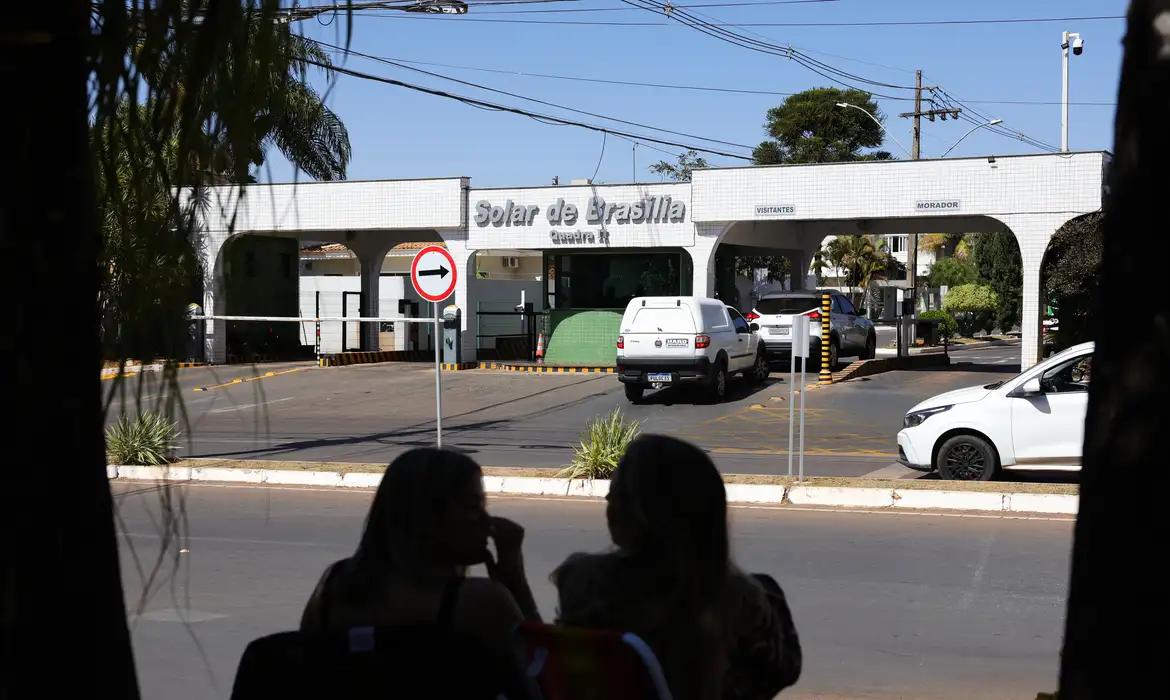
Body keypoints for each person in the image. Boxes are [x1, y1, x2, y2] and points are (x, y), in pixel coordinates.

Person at [551, 434, 801, 700]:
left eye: (613, 496)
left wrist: (519, 582)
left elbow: (547, 662)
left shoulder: (583, 584)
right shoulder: (753, 603)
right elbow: (782, 672)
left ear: (624, 513)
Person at [300, 448, 540, 673]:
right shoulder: (481, 601)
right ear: (428, 519)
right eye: (472, 506)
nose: (487, 521)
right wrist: (514, 581)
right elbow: (544, 673)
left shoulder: (332, 586)